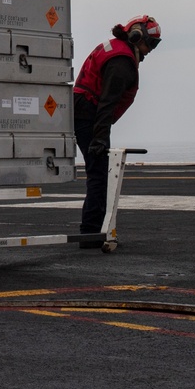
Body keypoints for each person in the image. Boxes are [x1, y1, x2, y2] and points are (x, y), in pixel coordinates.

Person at [73, 15, 161, 248]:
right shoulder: (122, 61)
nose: (150, 50)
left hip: (84, 109)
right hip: (90, 114)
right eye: (150, 43)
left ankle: (91, 232)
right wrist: (100, 136)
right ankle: (90, 235)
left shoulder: (117, 50)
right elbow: (107, 101)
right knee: (99, 176)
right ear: (136, 36)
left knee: (98, 174)